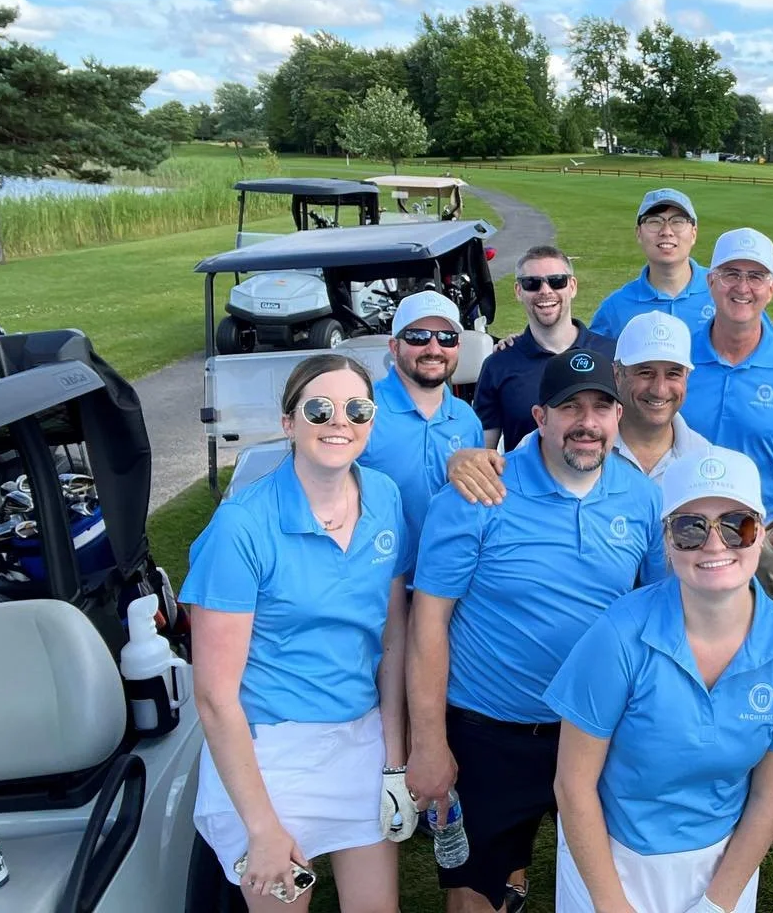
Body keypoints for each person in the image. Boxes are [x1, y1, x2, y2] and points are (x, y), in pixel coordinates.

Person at [405, 348, 666, 913]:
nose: (587, 424)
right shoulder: (477, 493)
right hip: (489, 732)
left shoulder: (641, 496)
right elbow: (429, 623)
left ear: (619, 417)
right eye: (570, 408)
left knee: (613, 883)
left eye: (601, 407)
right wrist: (427, 743)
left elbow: (660, 611)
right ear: (540, 418)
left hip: (596, 731)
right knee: (475, 893)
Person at [182, 353, 415, 913]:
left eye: (357, 408)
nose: (340, 421)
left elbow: (391, 639)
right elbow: (215, 698)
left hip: (359, 740)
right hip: (269, 756)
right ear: (289, 423)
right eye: (320, 408)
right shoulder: (240, 528)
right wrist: (261, 826)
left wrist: (394, 762)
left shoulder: (384, 497)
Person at [545, 446, 773, 912]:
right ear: (667, 540)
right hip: (613, 859)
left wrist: (717, 903)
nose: (715, 545)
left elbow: (769, 795)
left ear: (763, 532)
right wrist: (612, 904)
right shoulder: (617, 634)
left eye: (737, 525)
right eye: (690, 527)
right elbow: (573, 787)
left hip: (721, 864)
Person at [681, 227, 773, 608]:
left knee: (766, 647)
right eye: (731, 273)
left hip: (766, 538)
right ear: (711, 281)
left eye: (756, 276)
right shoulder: (677, 358)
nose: (742, 287)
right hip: (685, 533)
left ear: (772, 288)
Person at [445, 310, 711, 505]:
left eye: (674, 373)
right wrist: (462, 460)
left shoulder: (704, 458)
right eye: (645, 372)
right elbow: (500, 473)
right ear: (617, 374)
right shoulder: (560, 442)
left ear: (687, 377)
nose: (659, 389)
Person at [358, 290, 483, 537]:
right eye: (418, 337)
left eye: (446, 338)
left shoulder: (466, 419)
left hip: (450, 569)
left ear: (457, 346)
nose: (434, 349)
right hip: (382, 572)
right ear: (394, 347)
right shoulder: (361, 411)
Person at [473, 244, 615, 450]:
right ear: (518, 291)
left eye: (557, 281)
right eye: (532, 283)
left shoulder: (611, 354)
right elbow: (484, 453)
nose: (545, 291)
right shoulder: (498, 365)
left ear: (572, 286)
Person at [589, 188, 716, 339]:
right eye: (655, 222)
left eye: (677, 221)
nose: (666, 231)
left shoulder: (724, 291)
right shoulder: (615, 308)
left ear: (693, 233)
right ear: (639, 233)